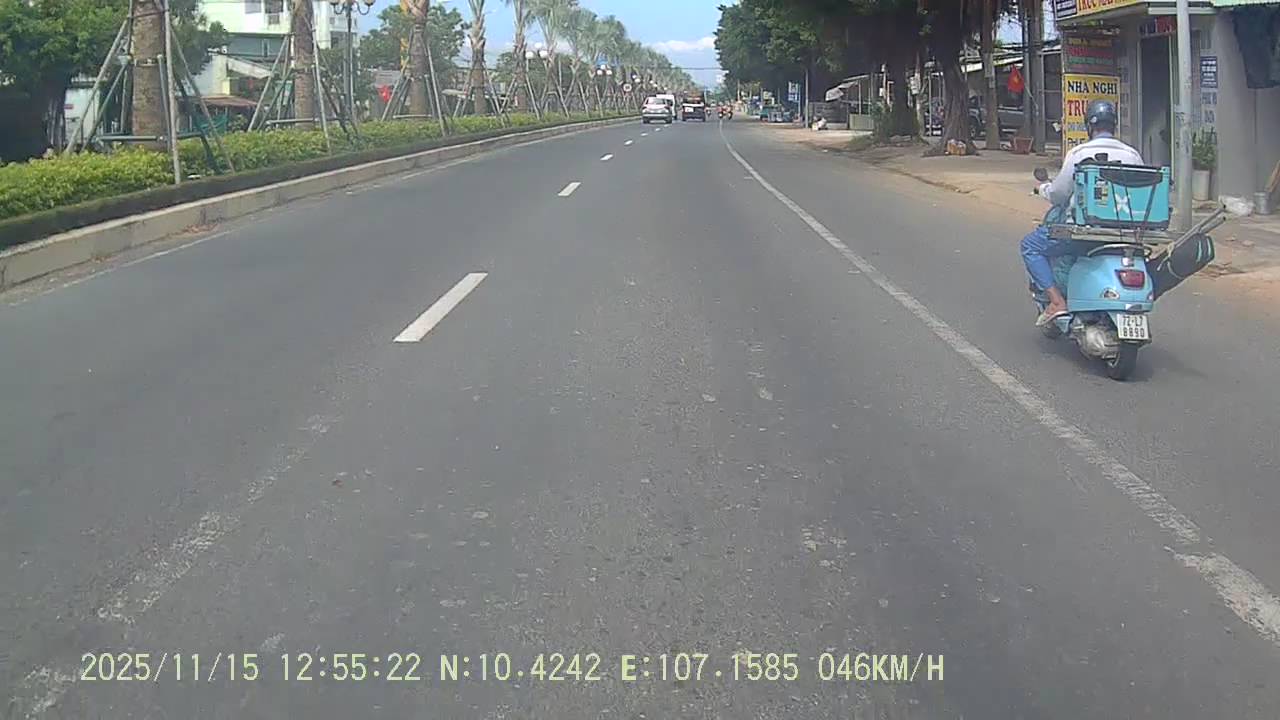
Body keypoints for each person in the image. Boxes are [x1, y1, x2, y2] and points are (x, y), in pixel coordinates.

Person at [1020, 100, 1144, 325]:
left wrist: (1044, 188)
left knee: (1030, 246)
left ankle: (1057, 301)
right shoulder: (1132, 155)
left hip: (1084, 233)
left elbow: (1059, 194)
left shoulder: (1080, 153)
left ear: (1089, 126)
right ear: (1114, 125)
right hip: (1125, 234)